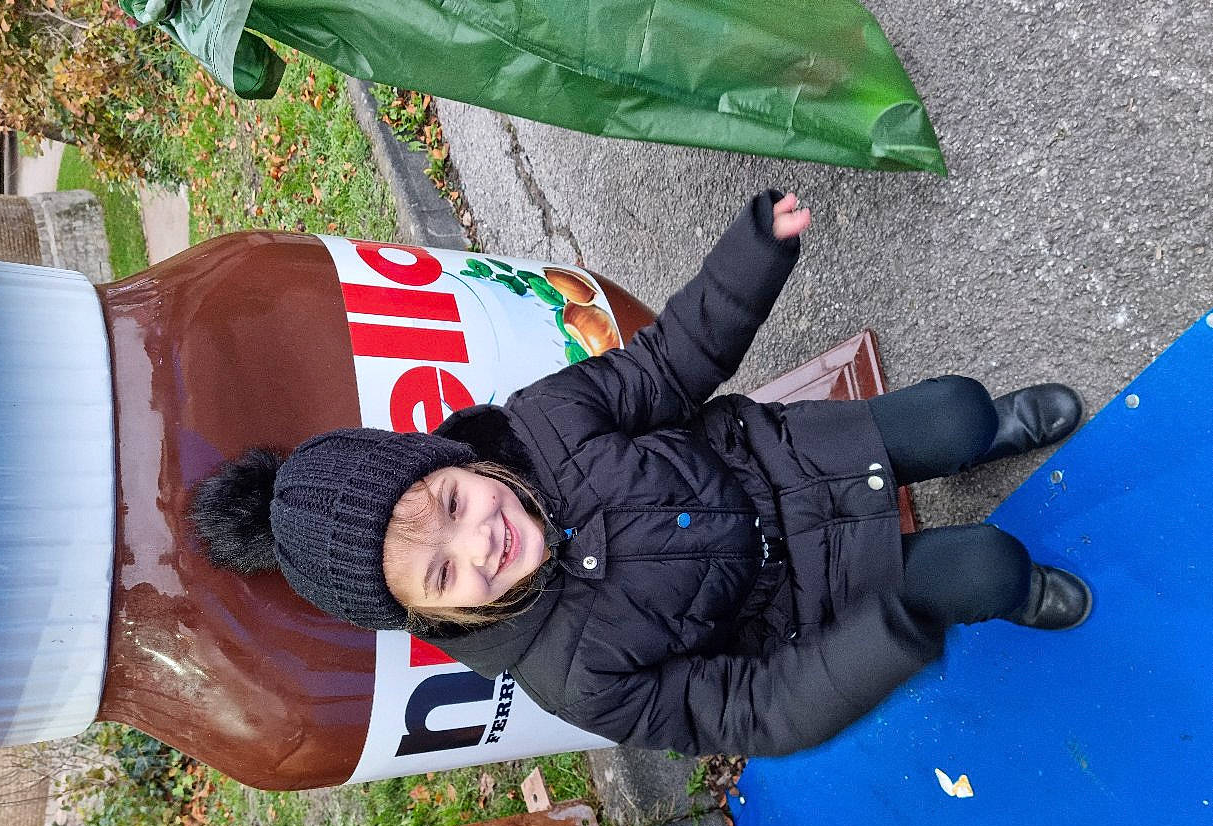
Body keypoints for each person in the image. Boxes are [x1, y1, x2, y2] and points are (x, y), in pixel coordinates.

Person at [189, 189, 1091, 757]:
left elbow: (670, 361)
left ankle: (992, 432)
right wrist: (872, 644)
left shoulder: (546, 418)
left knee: (955, 410)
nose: (481, 541)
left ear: (450, 459)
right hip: (820, 601)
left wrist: (751, 257)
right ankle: (1014, 588)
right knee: (984, 568)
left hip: (794, 461)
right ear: (434, 614)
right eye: (444, 571)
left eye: (455, 504)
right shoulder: (575, 679)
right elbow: (747, 714)